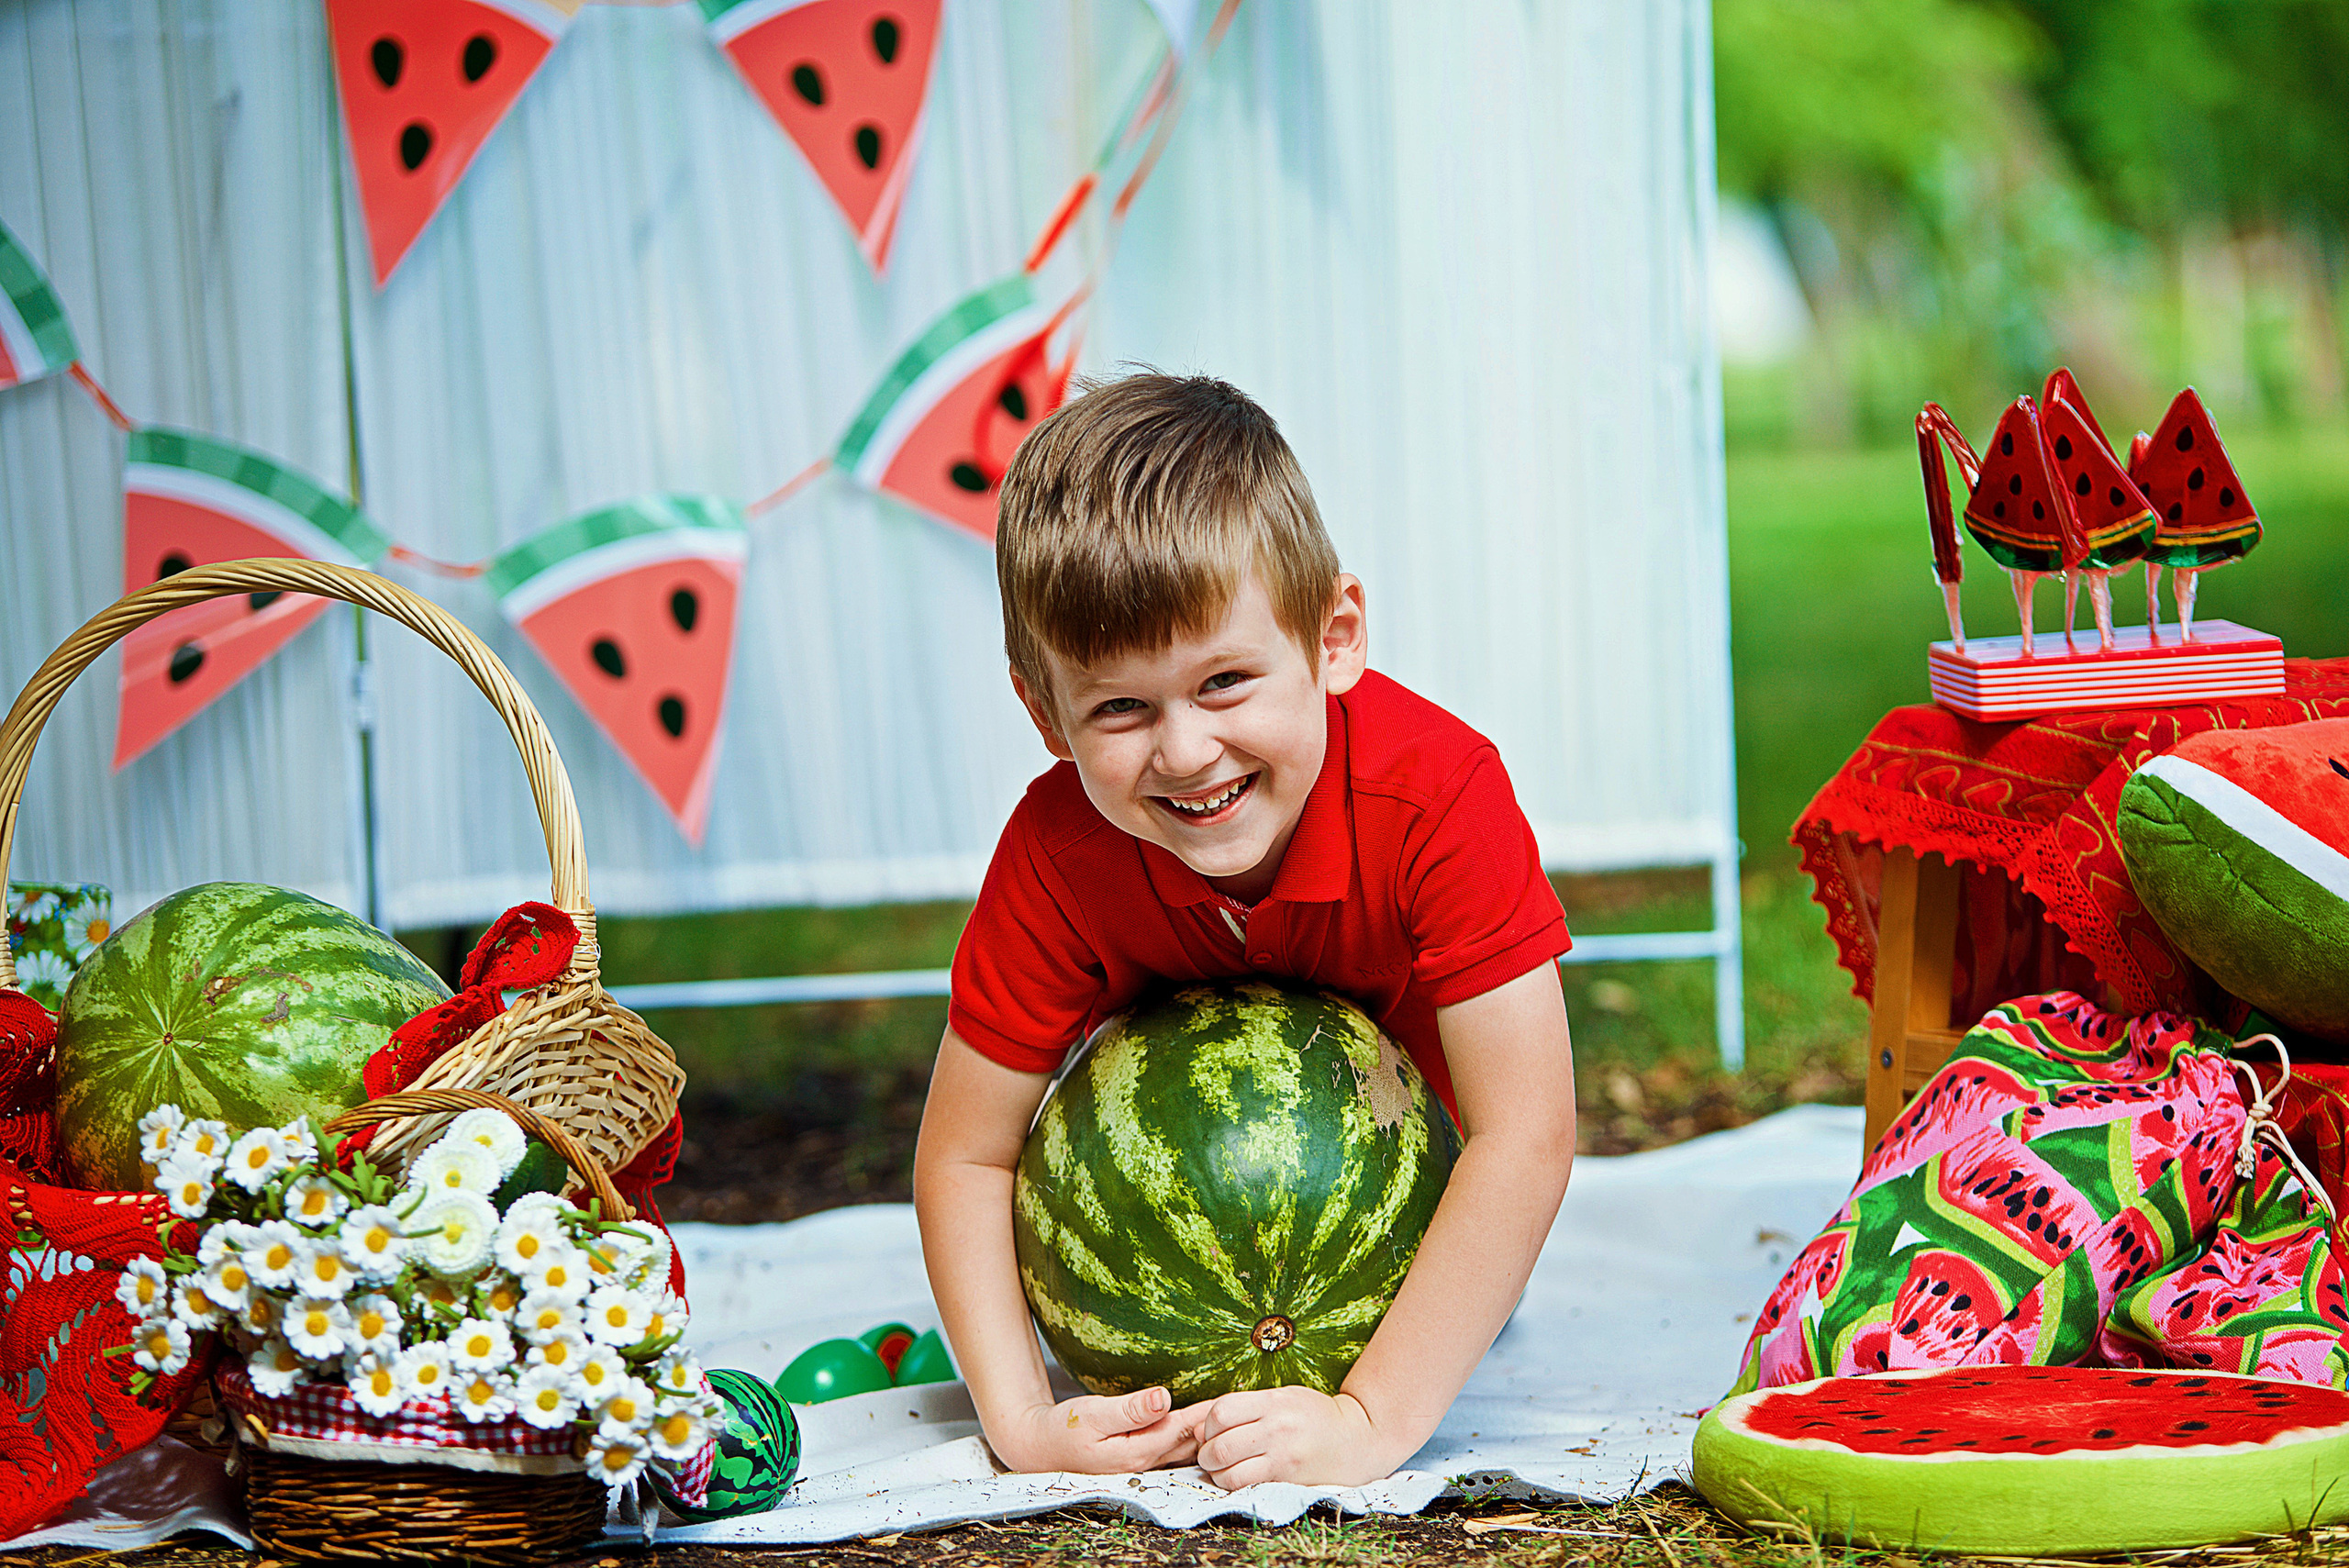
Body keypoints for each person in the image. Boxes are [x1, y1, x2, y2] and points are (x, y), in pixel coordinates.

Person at [912, 373, 1576, 1490]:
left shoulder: (1442, 796)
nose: (1183, 752)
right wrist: (1021, 1416)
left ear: (1334, 638)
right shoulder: (1057, 852)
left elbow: (1527, 1133)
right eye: (1119, 707)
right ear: (1045, 716)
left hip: (1400, 1240)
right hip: (1182, 1259)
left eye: (1225, 681)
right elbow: (966, 1152)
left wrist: (1373, 1413)